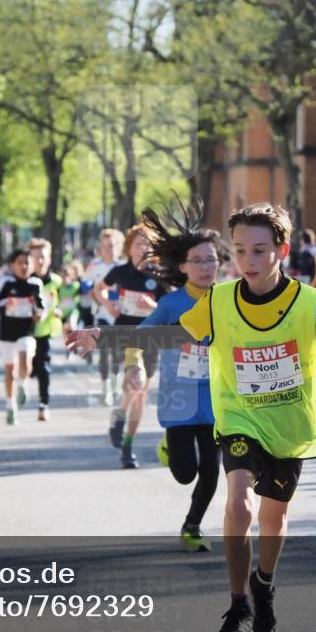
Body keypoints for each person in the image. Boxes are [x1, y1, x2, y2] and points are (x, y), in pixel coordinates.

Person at [69, 202, 316, 632]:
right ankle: (238, 603)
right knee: (239, 503)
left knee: (273, 517)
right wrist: (105, 336)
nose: (249, 261)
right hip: (238, 417)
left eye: (259, 250)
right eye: (240, 251)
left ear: (281, 249)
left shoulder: (309, 301)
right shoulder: (218, 301)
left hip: (287, 423)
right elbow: (169, 334)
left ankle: (264, 584)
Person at [134, 203, 227, 551]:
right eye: (198, 261)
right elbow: (141, 336)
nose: (206, 267)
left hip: (217, 398)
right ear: (183, 266)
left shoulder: (230, 300)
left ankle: (192, 525)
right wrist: (136, 365)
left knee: (211, 469)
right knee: (184, 472)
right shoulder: (172, 305)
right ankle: (169, 447)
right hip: (180, 398)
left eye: (211, 259)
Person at [96, 224, 167, 468]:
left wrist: (153, 308)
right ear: (129, 247)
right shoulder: (119, 272)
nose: (143, 247)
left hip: (150, 336)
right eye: (139, 243)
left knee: (139, 395)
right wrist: (107, 305)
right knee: (134, 379)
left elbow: (167, 310)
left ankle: (127, 443)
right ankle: (120, 418)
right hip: (125, 333)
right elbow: (99, 289)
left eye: (148, 243)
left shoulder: (159, 275)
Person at [0, 249, 45, 426]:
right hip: (7, 333)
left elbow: (42, 306)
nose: (24, 266)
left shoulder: (35, 284)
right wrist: (6, 303)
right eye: (20, 262)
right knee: (10, 370)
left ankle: (23, 384)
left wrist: (40, 314)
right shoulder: (5, 282)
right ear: (12, 265)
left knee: (25, 359)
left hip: (26, 330)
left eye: (27, 262)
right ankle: (10, 406)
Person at [85, 229, 125, 405]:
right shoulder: (94, 266)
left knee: (116, 353)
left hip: (119, 314)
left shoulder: (124, 266)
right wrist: (97, 296)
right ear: (100, 248)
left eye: (112, 245)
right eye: (104, 246)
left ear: (119, 247)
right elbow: (85, 288)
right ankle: (105, 389)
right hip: (101, 313)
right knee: (103, 352)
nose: (108, 249)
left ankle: (115, 385)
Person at [29, 238, 63, 422]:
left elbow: (67, 303)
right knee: (29, 368)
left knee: (44, 367)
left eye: (42, 257)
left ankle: (44, 403)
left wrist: (60, 312)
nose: (39, 261)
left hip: (46, 329)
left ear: (49, 258)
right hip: (26, 330)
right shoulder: (25, 281)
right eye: (35, 257)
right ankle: (23, 387)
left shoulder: (57, 281)